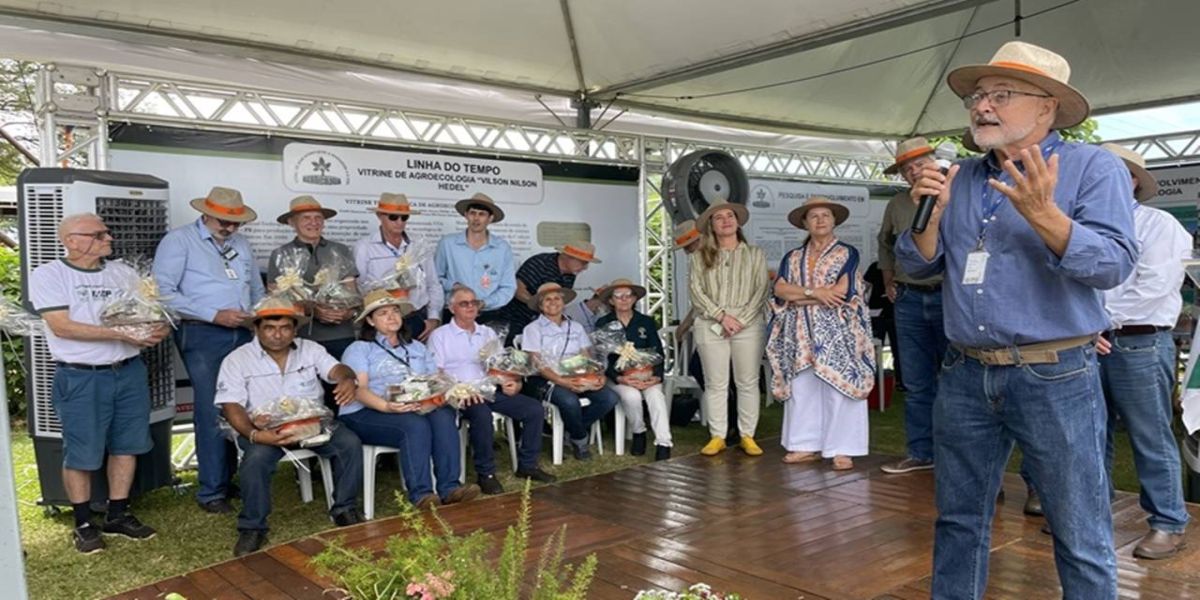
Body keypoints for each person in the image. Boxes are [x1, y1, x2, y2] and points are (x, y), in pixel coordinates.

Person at [895, 41, 1137, 598]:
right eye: (978, 96)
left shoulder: (1091, 167)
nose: (982, 106)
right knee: (958, 523)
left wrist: (1044, 215)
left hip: (1056, 374)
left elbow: (1112, 264)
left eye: (1001, 94)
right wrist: (926, 215)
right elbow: (916, 263)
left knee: (1079, 530)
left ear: (1047, 107)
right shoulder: (958, 176)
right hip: (964, 373)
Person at [30, 213, 170, 554]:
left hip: (128, 369)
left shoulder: (123, 272)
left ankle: (118, 513)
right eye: (99, 234)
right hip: (81, 375)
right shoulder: (49, 274)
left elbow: (156, 314)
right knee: (81, 452)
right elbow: (62, 326)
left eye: (107, 233)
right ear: (72, 241)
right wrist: (121, 333)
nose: (108, 238)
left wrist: (158, 329)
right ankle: (82, 522)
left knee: (128, 444)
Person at [214, 297, 364, 557]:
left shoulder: (310, 349)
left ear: (295, 329)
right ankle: (253, 526)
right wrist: (255, 434)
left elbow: (336, 369)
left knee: (349, 443)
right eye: (270, 328)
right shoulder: (237, 359)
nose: (277, 334)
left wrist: (347, 379)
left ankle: (344, 508)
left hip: (312, 424)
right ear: (256, 329)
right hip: (266, 429)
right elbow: (231, 406)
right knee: (256, 459)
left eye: (285, 327)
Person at [1097, 142, 1190, 559]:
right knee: (1090, 437)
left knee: (1149, 436)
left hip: (1139, 341)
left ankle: (1168, 523)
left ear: (1132, 180)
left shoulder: (1160, 224)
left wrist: (1091, 321)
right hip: (1093, 343)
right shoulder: (1086, 226)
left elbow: (1153, 289)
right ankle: (1093, 516)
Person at [154, 186, 265, 514]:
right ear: (206, 214)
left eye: (236, 224)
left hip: (242, 333)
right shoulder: (179, 241)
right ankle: (211, 490)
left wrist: (259, 314)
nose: (230, 229)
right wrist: (214, 314)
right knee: (211, 409)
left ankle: (230, 479)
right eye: (224, 222)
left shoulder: (240, 243)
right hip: (202, 333)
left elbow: (255, 286)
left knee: (241, 406)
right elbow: (162, 293)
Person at [339, 289, 481, 508]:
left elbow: (434, 381)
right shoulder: (360, 349)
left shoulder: (416, 347)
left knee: (443, 415)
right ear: (370, 320)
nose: (391, 316)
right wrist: (388, 407)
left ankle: (450, 487)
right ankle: (421, 494)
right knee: (414, 425)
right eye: (382, 313)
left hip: (413, 406)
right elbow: (360, 390)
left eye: (395, 311)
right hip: (367, 411)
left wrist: (443, 393)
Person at [766, 198, 875, 470]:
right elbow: (780, 290)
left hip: (837, 334)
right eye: (813, 216)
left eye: (825, 215)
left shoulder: (846, 253)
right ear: (805, 223)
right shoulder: (792, 257)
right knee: (803, 387)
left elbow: (842, 292)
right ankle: (804, 444)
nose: (820, 220)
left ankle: (842, 448)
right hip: (800, 332)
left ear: (834, 220)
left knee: (839, 387)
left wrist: (799, 296)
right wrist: (816, 293)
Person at [427, 285, 556, 494]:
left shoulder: (488, 333)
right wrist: (459, 391)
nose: (470, 307)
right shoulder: (440, 335)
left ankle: (528, 465)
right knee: (481, 413)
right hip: (460, 394)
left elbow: (500, 366)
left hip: (489, 388)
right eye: (464, 303)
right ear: (452, 308)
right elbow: (436, 373)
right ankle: (485, 473)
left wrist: (513, 382)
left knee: (534, 408)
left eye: (474, 303)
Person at [876, 137, 949, 475]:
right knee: (918, 383)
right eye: (906, 168)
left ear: (934, 162)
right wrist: (889, 279)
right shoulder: (897, 204)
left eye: (918, 164)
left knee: (958, 382)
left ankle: (958, 457)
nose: (913, 171)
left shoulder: (956, 193)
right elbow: (884, 243)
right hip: (907, 296)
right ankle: (921, 452)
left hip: (949, 296)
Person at [688, 199, 769, 457]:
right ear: (711, 224)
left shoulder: (754, 253)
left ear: (738, 221)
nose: (725, 220)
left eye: (729, 216)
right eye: (718, 217)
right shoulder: (700, 255)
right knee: (716, 383)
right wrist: (722, 317)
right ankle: (718, 435)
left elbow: (761, 290)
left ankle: (747, 434)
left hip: (747, 324)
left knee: (747, 381)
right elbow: (696, 292)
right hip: (711, 324)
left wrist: (739, 320)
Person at [522, 282, 620, 460]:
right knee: (569, 401)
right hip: (546, 379)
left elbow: (587, 357)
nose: (553, 302)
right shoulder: (532, 329)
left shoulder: (576, 327)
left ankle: (569, 430)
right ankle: (580, 440)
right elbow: (537, 363)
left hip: (578, 375)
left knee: (610, 398)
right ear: (540, 305)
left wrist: (596, 376)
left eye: (557, 298)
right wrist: (561, 381)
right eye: (547, 299)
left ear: (564, 302)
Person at [268, 196, 359, 360]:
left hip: (341, 334)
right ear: (291, 222)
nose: (314, 222)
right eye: (306, 218)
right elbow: (275, 297)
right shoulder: (281, 254)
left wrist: (349, 312)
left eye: (318, 218)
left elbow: (352, 289)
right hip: (303, 337)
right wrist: (311, 311)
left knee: (345, 382)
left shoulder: (340, 250)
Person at [595, 279, 671, 460]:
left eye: (628, 295)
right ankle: (639, 432)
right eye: (618, 296)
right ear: (611, 301)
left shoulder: (646, 321)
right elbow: (600, 358)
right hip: (619, 378)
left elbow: (658, 352)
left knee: (656, 396)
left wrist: (657, 376)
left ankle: (664, 443)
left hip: (647, 375)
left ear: (634, 299)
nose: (624, 300)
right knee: (631, 396)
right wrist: (619, 378)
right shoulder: (603, 323)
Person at [353, 193, 442, 341]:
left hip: (417, 316)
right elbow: (358, 288)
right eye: (393, 217)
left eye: (404, 217)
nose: (399, 222)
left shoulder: (419, 244)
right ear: (380, 216)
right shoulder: (364, 247)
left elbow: (433, 283)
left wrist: (433, 317)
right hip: (382, 321)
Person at [434, 193, 515, 326]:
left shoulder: (502, 248)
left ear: (490, 218)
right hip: (455, 312)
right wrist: (454, 286)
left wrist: (485, 303)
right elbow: (435, 279)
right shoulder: (447, 243)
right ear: (466, 215)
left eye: (482, 214)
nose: (476, 218)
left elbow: (508, 287)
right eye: (473, 213)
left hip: (490, 314)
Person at [497, 241, 601, 337]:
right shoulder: (540, 262)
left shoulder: (571, 274)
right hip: (514, 318)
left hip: (542, 323)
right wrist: (538, 304)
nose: (585, 268)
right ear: (568, 257)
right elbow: (517, 288)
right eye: (583, 263)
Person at [862, 261, 901, 387]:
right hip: (876, 313)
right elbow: (865, 286)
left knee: (898, 348)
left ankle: (899, 380)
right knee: (873, 348)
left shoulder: (901, 267)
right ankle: (873, 379)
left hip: (894, 313)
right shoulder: (875, 266)